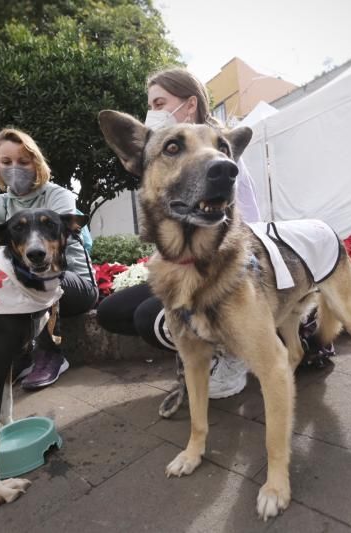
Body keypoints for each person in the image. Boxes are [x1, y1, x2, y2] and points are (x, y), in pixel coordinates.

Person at [96, 68, 263, 416]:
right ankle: (196, 351)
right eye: (150, 104)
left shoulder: (222, 155)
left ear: (189, 106)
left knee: (148, 316)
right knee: (111, 311)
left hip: (225, 271)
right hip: (179, 265)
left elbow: (252, 225)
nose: (152, 110)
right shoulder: (161, 154)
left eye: (159, 102)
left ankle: (227, 350)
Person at [0, 127, 98, 390]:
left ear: (36, 162)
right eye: (6, 162)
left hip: (74, 284)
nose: (15, 168)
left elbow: (57, 249)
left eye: (23, 161)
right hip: (26, 279)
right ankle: (19, 355)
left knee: (33, 277)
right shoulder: (0, 204)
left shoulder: (58, 196)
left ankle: (50, 354)